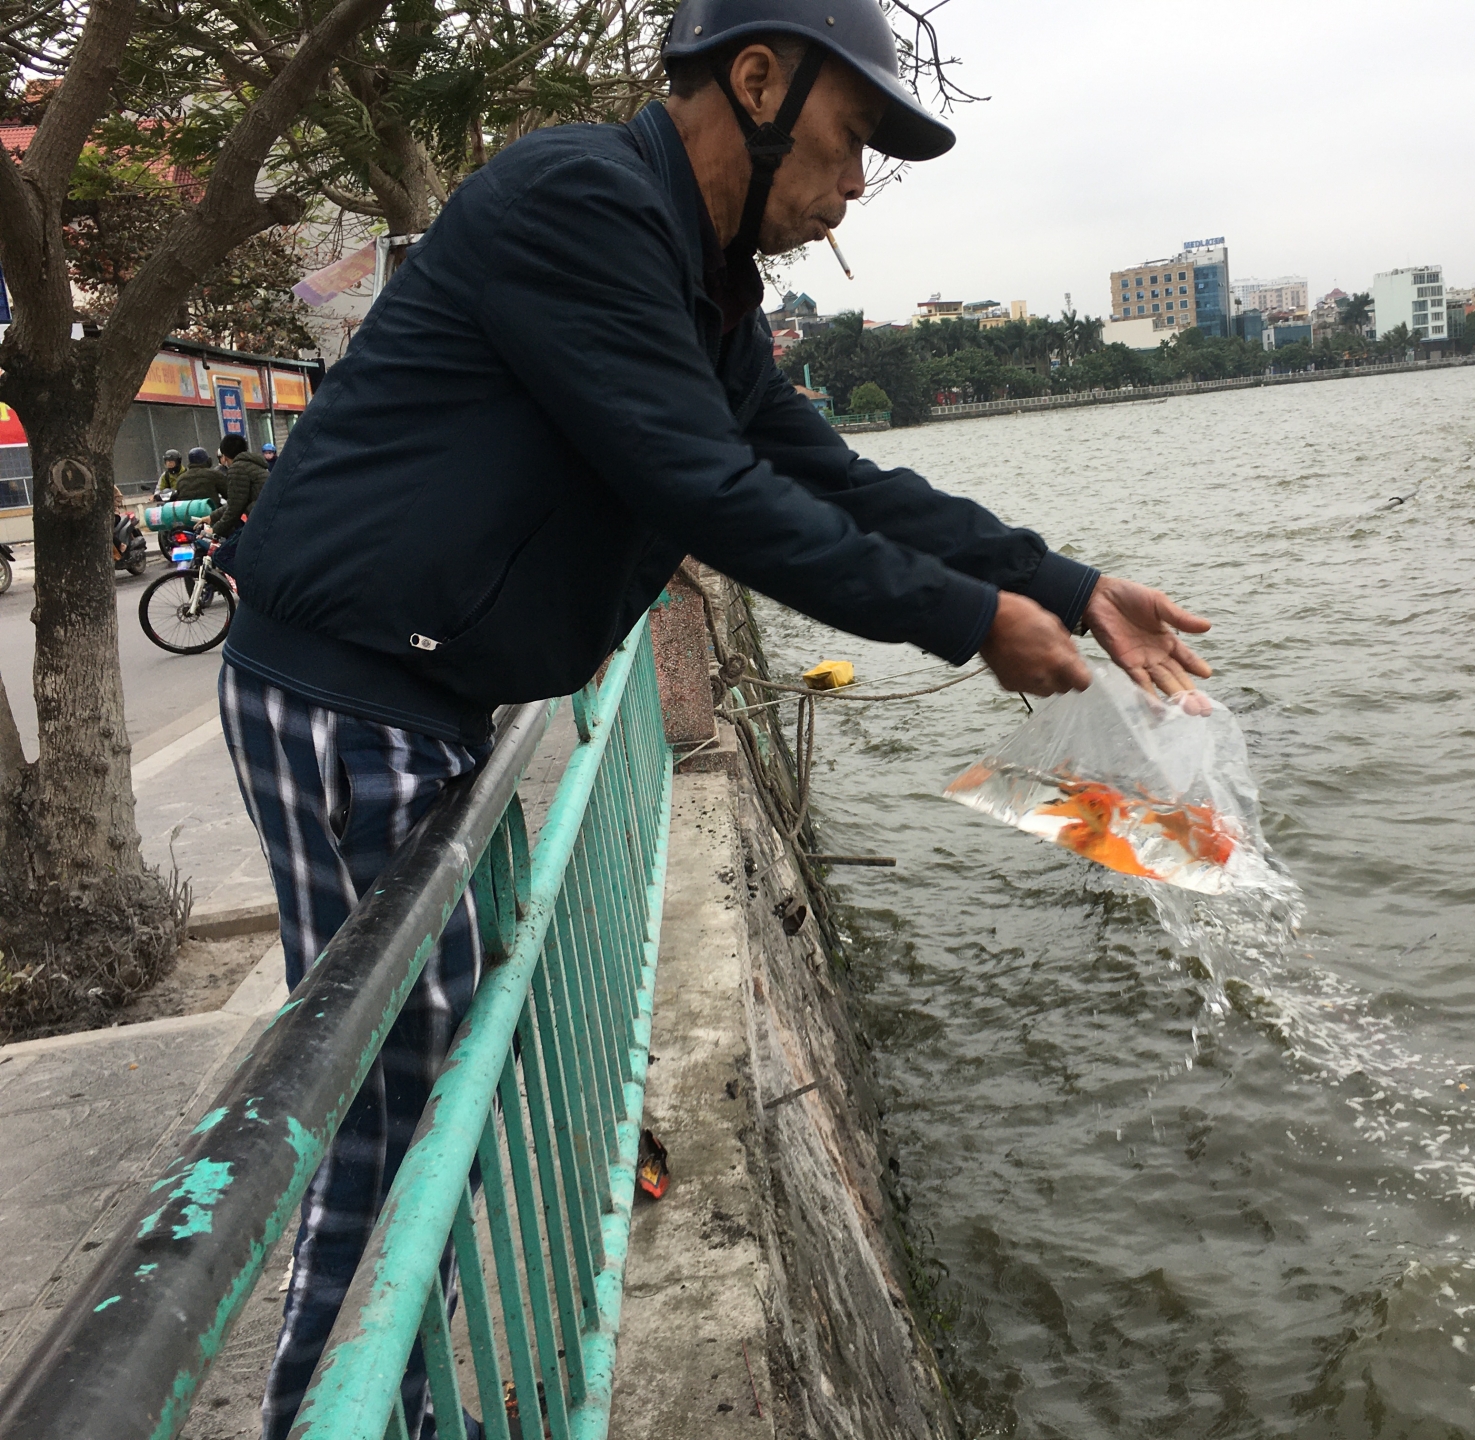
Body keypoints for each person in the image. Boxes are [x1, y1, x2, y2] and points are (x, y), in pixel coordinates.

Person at [219, 0, 1210, 1433]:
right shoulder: (582, 204)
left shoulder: (701, 283)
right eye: (851, 136)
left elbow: (836, 479)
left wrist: (1063, 578)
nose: (857, 181)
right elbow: (713, 494)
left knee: (423, 1088)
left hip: (418, 692)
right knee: (390, 1105)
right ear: (755, 79)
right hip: (347, 686)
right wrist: (971, 624)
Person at [209, 431, 269, 539]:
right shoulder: (254, 464)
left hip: (263, 521)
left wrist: (214, 530)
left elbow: (234, 509)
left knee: (223, 554)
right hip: (269, 517)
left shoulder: (238, 468)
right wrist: (212, 517)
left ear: (225, 456)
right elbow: (237, 501)